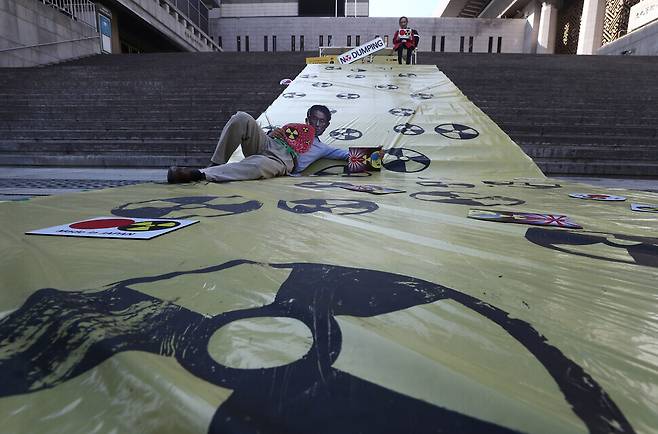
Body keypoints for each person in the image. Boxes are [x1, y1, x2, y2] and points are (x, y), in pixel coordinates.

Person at [167, 105, 348, 183]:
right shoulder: (294, 130)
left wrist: (374, 155)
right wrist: (271, 134)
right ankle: (216, 164)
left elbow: (347, 155)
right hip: (268, 143)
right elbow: (272, 136)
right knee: (242, 118)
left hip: (282, 161)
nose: (317, 124)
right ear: (307, 119)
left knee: (259, 164)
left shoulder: (323, 148)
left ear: (327, 125)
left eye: (322, 122)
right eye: (314, 119)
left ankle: (199, 174)